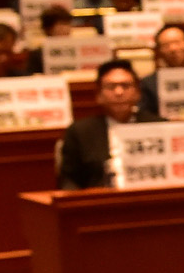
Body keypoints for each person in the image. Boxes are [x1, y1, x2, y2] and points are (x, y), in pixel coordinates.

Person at [56, 59, 156, 190]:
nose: (119, 92)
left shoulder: (156, 126)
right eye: (111, 87)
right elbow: (69, 180)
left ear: (138, 93)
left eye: (125, 86)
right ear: (98, 95)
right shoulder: (80, 132)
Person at [136, 24, 184, 119]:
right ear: (159, 51)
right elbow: (144, 115)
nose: (173, 48)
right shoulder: (148, 83)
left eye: (177, 42)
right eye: (166, 45)